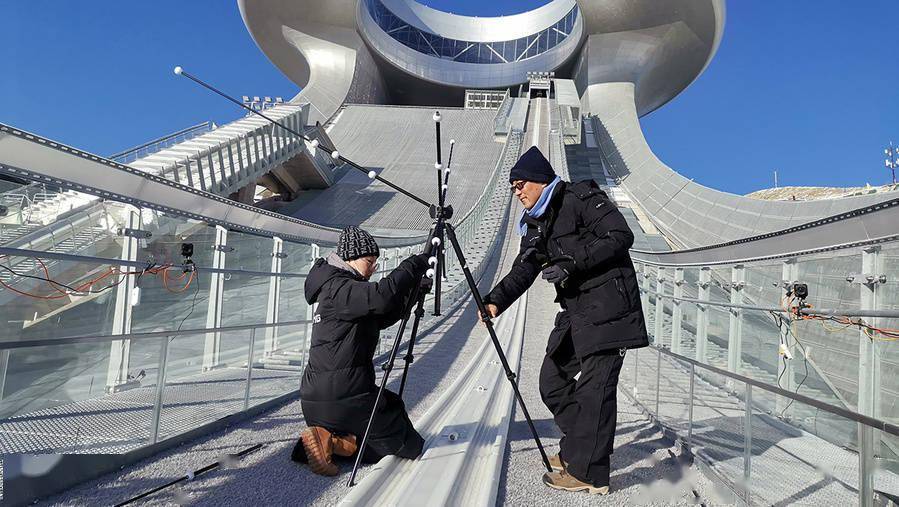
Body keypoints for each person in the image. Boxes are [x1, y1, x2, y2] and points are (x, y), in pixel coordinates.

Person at [480, 146, 648, 494]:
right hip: (576, 313)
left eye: (522, 184)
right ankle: (580, 449)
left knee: (595, 391)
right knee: (551, 381)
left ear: (542, 180)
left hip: (609, 307)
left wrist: (572, 261)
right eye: (513, 188)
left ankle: (590, 472)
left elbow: (620, 236)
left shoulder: (582, 198)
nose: (518, 192)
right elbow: (525, 267)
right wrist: (496, 300)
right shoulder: (536, 223)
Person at [293, 225, 431, 476]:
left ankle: (327, 440)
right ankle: (330, 441)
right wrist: (413, 265)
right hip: (344, 397)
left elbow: (383, 314)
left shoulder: (338, 289)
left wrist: (413, 291)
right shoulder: (338, 287)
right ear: (351, 258)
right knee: (408, 445)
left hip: (322, 398)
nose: (374, 267)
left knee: (390, 408)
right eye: (370, 260)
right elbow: (380, 296)